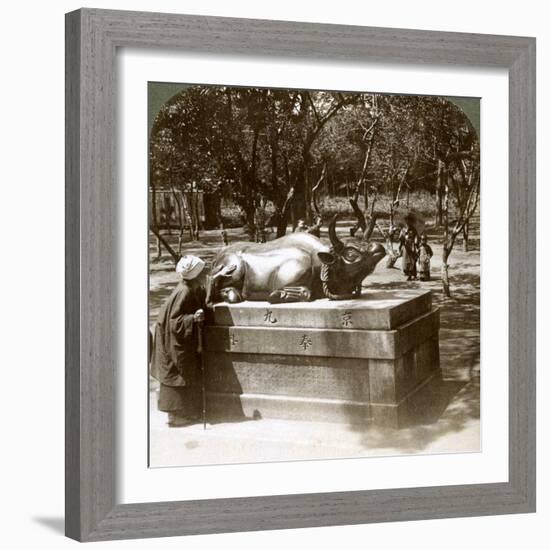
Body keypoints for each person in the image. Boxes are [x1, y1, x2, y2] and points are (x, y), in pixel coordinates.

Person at [150, 255, 207, 427]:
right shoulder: (185, 291)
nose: (204, 275)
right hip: (171, 340)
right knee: (176, 375)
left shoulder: (188, 288)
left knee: (179, 375)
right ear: (195, 276)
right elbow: (175, 322)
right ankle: (174, 417)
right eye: (202, 272)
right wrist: (193, 318)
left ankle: (182, 414)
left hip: (170, 338)